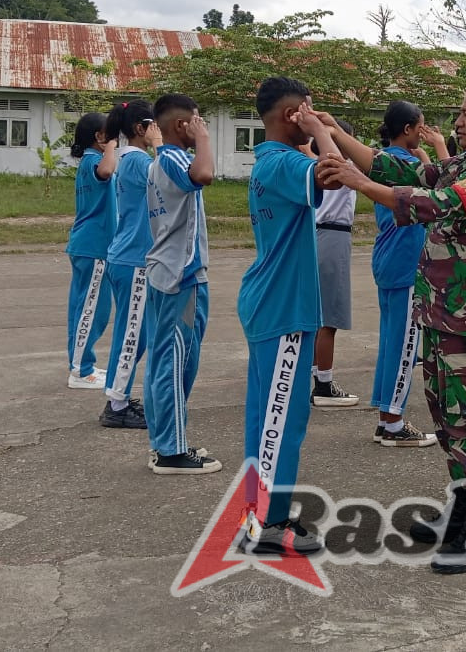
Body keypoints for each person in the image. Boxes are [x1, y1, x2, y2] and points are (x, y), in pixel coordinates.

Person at [318, 83, 466, 574]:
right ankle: (463, 505)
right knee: (448, 419)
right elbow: (400, 169)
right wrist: (333, 132)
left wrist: (359, 184)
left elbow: (440, 203)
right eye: (459, 113)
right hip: (438, 313)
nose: (458, 122)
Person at [236, 77, 339, 554]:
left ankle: (259, 511)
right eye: (307, 108)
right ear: (290, 114)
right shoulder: (284, 162)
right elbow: (334, 173)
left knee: (265, 418)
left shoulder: (270, 161)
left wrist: (314, 129)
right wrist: (320, 131)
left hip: (272, 302)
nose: (313, 114)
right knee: (282, 420)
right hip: (283, 306)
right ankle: (267, 524)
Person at [143, 94, 219, 475]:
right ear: (180, 125)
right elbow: (204, 175)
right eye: (197, 120)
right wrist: (203, 139)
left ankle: (165, 440)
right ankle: (171, 450)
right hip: (181, 275)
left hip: (170, 271)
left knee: (165, 359)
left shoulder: (163, 160)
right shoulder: (173, 158)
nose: (201, 126)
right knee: (176, 362)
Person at [367, 101, 440, 448]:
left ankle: (386, 417)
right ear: (408, 129)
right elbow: (441, 191)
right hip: (407, 262)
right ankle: (393, 422)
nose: (423, 133)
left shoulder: (382, 162)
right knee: (405, 346)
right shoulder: (409, 165)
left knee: (390, 341)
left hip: (387, 257)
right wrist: (429, 155)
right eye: (420, 126)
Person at [99, 100, 161, 428]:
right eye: (155, 125)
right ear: (141, 128)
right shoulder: (137, 159)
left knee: (135, 332)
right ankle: (117, 406)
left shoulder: (128, 158)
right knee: (132, 335)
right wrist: (161, 146)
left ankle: (118, 396)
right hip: (134, 259)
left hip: (130, 257)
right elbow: (168, 179)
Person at [310, 118, 361, 409]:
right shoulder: (344, 166)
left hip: (315, 234)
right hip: (334, 235)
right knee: (330, 318)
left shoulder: (314, 166)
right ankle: (324, 385)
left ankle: (315, 375)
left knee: (317, 314)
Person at [65, 112, 118, 390]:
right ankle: (81, 371)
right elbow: (107, 172)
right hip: (94, 246)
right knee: (92, 310)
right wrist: (111, 147)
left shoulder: (89, 160)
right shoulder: (93, 160)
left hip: (89, 245)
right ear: (99, 137)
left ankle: (82, 363)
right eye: (111, 133)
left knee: (84, 307)